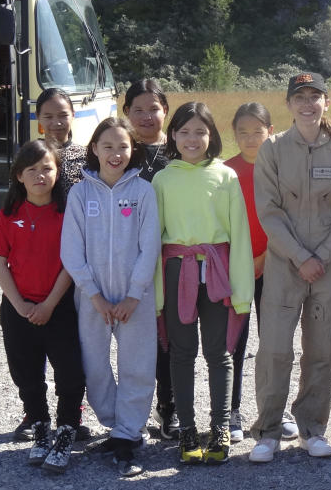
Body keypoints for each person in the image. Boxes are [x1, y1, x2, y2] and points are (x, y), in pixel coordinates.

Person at [250, 73, 331, 462]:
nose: (307, 104)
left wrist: (323, 256)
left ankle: (312, 428)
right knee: (274, 349)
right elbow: (268, 211)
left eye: (315, 96)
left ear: (326, 102)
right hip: (285, 263)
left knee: (322, 348)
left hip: (330, 265)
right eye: (299, 97)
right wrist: (301, 257)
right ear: (288, 104)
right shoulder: (272, 150)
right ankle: (267, 431)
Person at [152, 102, 254, 465]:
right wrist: (157, 295)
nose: (192, 139)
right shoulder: (163, 179)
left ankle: (221, 427)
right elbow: (154, 240)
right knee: (181, 353)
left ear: (211, 136)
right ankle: (188, 429)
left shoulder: (225, 176)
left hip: (217, 270)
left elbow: (240, 235)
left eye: (200, 131)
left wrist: (242, 292)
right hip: (177, 269)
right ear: (173, 136)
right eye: (184, 132)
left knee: (218, 353)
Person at [60, 118, 160, 476]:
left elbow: (150, 248)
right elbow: (71, 251)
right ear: (95, 149)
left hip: (136, 298)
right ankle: (118, 425)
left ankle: (128, 433)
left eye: (123, 146)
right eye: (108, 146)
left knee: (138, 364)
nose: (116, 154)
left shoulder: (143, 191)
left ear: (132, 150)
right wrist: (94, 295)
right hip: (93, 299)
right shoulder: (80, 193)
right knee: (94, 365)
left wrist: (134, 295)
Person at [0, 140, 86, 473]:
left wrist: (48, 305)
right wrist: (20, 305)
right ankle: (41, 430)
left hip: (59, 307)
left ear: (58, 172)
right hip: (18, 309)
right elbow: (0, 262)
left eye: (47, 168)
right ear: (19, 176)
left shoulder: (67, 212)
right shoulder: (8, 214)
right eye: (32, 169)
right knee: (27, 374)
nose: (40, 175)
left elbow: (71, 264)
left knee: (70, 372)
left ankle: (67, 430)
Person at [224, 103, 299, 444]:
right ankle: (231, 411)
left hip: (276, 265)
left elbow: (291, 218)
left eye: (258, 131)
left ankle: (274, 411)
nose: (251, 138)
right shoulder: (224, 172)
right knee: (234, 344)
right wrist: (245, 261)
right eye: (243, 132)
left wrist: (268, 256)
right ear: (233, 134)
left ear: (272, 130)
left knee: (274, 342)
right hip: (236, 268)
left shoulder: (283, 168)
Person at [122, 79, 179, 441]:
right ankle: (130, 414)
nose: (146, 116)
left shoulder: (180, 152)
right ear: (126, 112)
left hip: (172, 260)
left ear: (165, 112)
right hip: (126, 262)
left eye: (153, 108)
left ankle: (169, 409)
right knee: (134, 343)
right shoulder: (120, 153)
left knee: (169, 339)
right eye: (137, 109)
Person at [36, 88, 87, 195]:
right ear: (38, 117)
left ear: (73, 114)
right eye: (48, 117)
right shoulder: (29, 155)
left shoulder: (87, 157)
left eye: (63, 116)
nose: (56, 123)